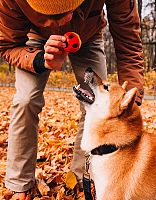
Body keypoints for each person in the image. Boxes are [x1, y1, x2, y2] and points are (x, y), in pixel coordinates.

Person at [0, 0, 144, 199]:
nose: (63, 21)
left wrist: (131, 101)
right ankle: (19, 183)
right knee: (25, 100)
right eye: (48, 14)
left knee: (96, 105)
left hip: (88, 35)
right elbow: (7, 45)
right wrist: (40, 60)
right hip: (34, 38)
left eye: (68, 10)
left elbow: (129, 40)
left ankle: (80, 178)